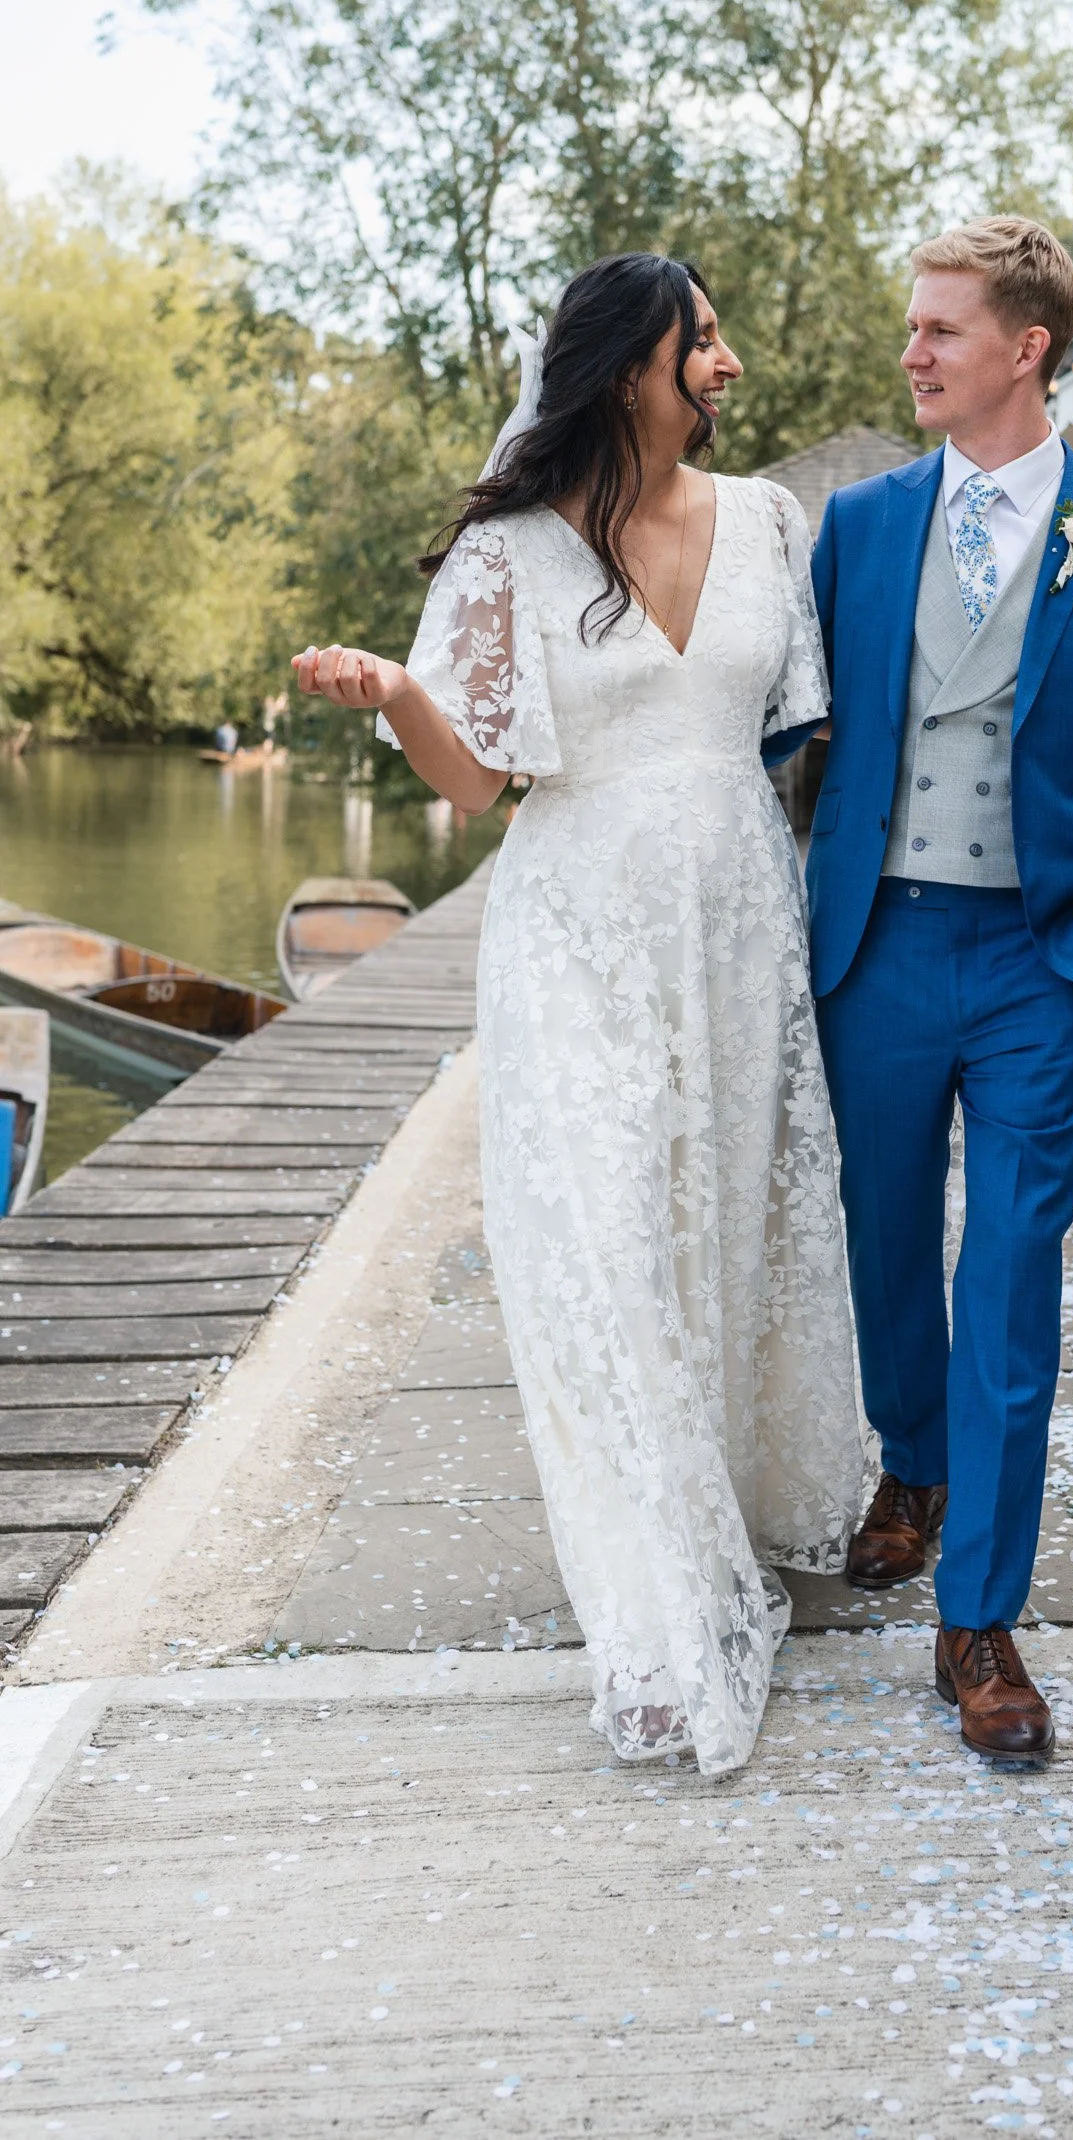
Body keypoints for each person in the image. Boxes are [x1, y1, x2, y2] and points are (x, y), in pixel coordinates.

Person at [292, 255, 865, 1776]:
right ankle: (664, 1615)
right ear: (632, 368)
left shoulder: (767, 523)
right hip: (579, 934)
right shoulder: (507, 554)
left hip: (735, 924)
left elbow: (796, 733)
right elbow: (479, 783)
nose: (726, 361)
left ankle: (713, 1511)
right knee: (604, 1252)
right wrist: (390, 690)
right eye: (705, 338)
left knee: (715, 1230)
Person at [808, 217, 1073, 1762]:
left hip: (1045, 965)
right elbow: (794, 724)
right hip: (882, 943)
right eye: (912, 327)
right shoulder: (857, 526)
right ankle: (912, 1456)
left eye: (940, 330)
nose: (911, 352)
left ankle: (977, 1615)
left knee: (1012, 1277)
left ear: (1024, 347)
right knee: (890, 1239)